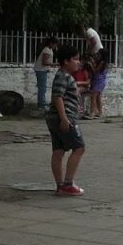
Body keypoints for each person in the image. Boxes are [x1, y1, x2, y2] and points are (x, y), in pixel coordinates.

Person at [46, 45, 87, 196]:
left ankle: (60, 185)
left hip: (53, 118)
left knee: (58, 151)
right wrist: (64, 118)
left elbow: (66, 93)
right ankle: (68, 184)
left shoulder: (65, 76)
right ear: (65, 61)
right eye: (75, 59)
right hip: (64, 118)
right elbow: (58, 97)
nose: (78, 62)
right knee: (79, 148)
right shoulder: (63, 75)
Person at [33, 37, 58, 115]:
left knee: (42, 87)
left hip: (42, 70)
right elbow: (45, 62)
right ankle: (41, 105)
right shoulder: (47, 50)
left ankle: (42, 104)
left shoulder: (49, 49)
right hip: (41, 70)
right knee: (42, 88)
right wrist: (55, 64)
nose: (55, 46)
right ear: (51, 43)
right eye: (54, 44)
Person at [87, 49, 109, 119]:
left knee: (93, 96)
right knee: (97, 97)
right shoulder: (102, 62)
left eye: (99, 54)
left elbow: (96, 71)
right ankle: (100, 112)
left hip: (99, 81)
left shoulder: (102, 62)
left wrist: (91, 65)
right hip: (99, 81)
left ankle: (92, 113)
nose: (97, 55)